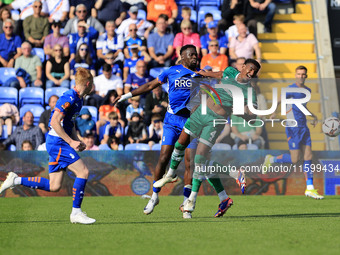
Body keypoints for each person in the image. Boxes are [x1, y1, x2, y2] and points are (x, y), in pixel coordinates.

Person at [153, 59, 261, 218]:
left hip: (214, 122)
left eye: (255, 72)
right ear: (243, 67)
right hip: (200, 114)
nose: (252, 73)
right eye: (250, 69)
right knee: (181, 145)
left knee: (199, 160)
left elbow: (252, 117)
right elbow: (217, 74)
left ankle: (190, 203)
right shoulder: (230, 71)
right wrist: (201, 73)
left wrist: (247, 112)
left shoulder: (249, 92)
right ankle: (223, 195)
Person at [0, 67, 96, 224]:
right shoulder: (69, 97)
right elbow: (54, 122)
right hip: (57, 142)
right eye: (92, 84)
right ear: (87, 83)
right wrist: (71, 142)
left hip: (60, 142)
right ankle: (76, 213)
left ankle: (15, 180)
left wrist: (77, 139)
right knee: (83, 172)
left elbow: (69, 123)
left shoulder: (78, 99)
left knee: (54, 185)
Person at [114, 45, 201, 218]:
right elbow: (150, 85)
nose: (194, 58)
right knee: (163, 157)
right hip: (171, 121)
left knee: (189, 162)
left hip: (191, 121)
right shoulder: (171, 71)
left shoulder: (200, 75)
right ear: (182, 57)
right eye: (191, 55)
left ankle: (186, 204)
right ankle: (154, 196)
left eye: (196, 55)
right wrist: (127, 95)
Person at [263, 65, 323, 199]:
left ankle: (310, 188)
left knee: (308, 157)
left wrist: (313, 116)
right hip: (292, 127)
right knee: (295, 160)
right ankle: (271, 159)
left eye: (303, 74)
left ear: (306, 76)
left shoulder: (307, 90)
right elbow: (279, 100)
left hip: (303, 127)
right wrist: (273, 112)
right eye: (299, 74)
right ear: (295, 75)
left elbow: (302, 108)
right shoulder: (290, 89)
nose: (301, 76)